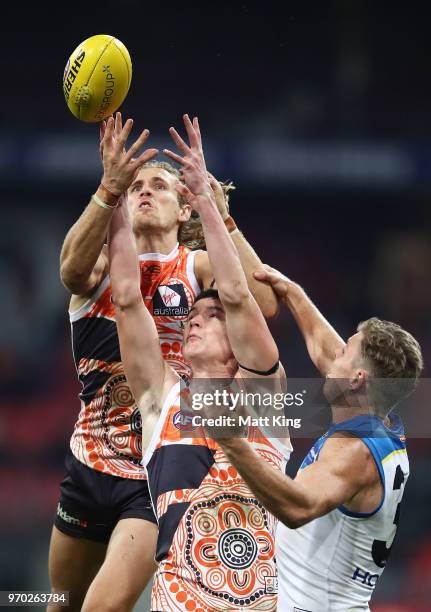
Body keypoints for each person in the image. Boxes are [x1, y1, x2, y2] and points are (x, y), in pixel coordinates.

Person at [49, 114, 278, 612]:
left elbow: (261, 299)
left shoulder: (196, 268)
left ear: (183, 211)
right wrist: (106, 191)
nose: (145, 192)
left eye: (159, 185)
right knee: (60, 602)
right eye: (135, 188)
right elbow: (69, 270)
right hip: (88, 460)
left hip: (155, 472)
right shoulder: (102, 267)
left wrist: (222, 215)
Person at [108, 114, 291, 611]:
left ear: (237, 343)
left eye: (210, 317)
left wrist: (206, 203)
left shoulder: (265, 400)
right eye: (191, 312)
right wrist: (112, 196)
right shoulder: (161, 398)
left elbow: (237, 293)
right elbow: (126, 299)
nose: (194, 319)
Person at [214, 266, 423, 612]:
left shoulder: (353, 452)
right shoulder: (381, 420)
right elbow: (326, 351)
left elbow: (298, 507)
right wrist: (293, 292)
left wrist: (233, 441)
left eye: (344, 353)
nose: (333, 358)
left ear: (357, 379)